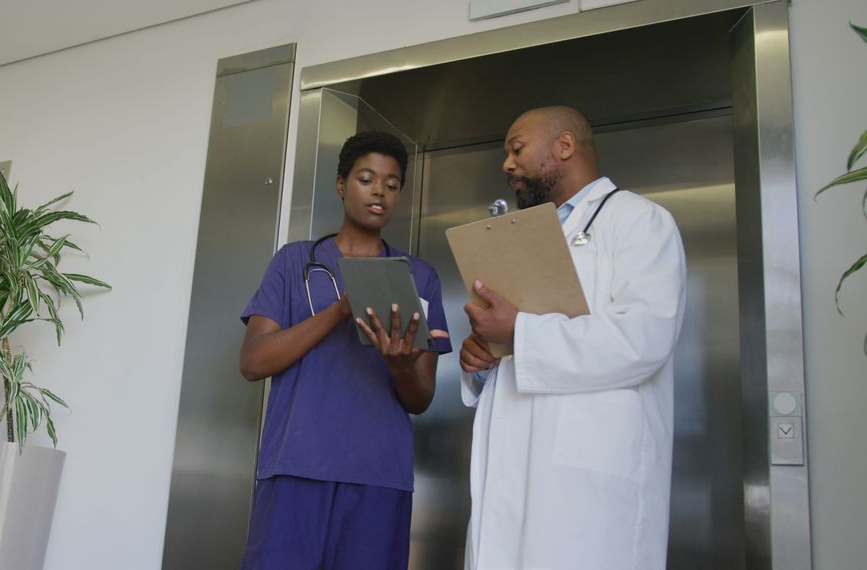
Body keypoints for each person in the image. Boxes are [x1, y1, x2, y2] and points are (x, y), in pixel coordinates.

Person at [459, 106, 686, 570]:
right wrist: (484, 358)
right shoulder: (523, 238)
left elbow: (643, 337)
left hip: (589, 491)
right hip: (515, 473)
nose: (506, 165)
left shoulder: (641, 222)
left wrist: (519, 333)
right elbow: (518, 348)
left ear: (564, 146)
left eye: (517, 149)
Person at [238, 131, 452, 570]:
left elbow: (420, 397)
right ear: (341, 184)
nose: (380, 192)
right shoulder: (294, 261)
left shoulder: (419, 277)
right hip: (295, 466)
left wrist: (399, 366)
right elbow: (253, 362)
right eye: (367, 179)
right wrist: (338, 311)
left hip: (378, 476)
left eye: (392, 185)